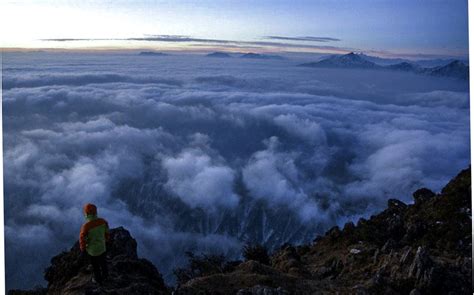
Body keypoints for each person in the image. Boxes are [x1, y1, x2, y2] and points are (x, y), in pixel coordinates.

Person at [79, 203, 110, 284]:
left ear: (86, 214)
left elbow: (82, 239)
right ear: (96, 212)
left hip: (92, 251)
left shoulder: (86, 226)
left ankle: (98, 280)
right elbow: (107, 233)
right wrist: (106, 240)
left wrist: (83, 249)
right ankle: (106, 277)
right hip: (102, 247)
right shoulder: (103, 221)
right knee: (103, 263)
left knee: (95, 266)